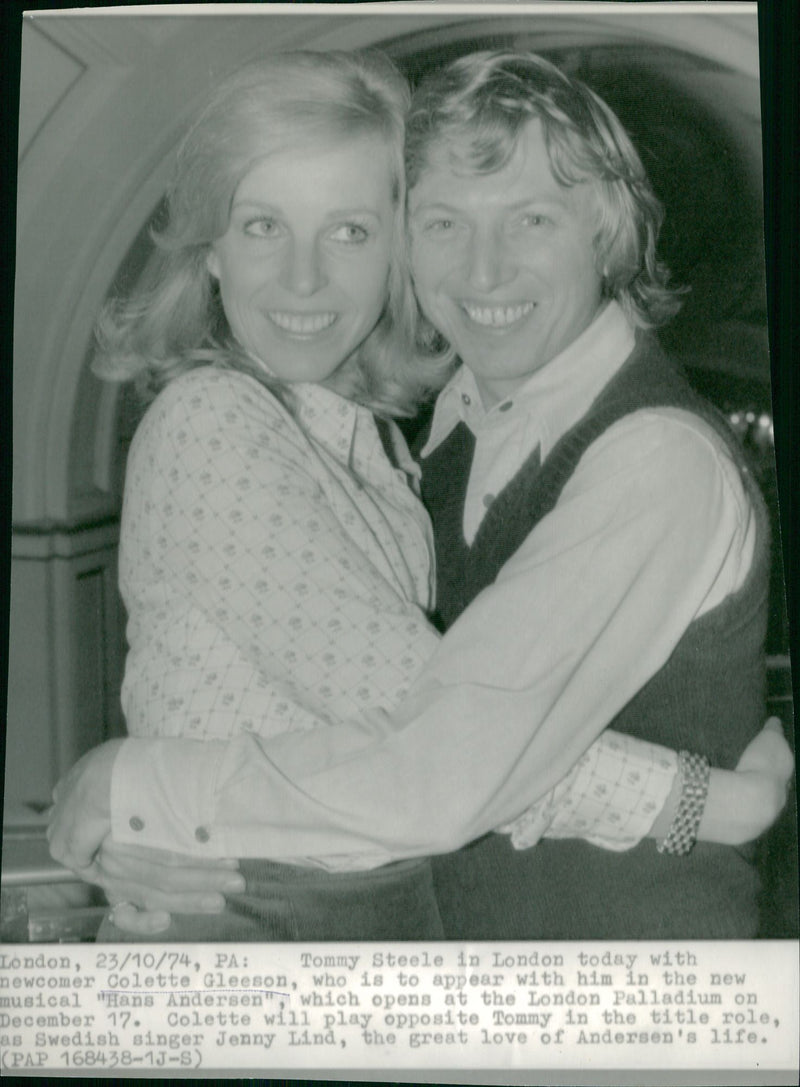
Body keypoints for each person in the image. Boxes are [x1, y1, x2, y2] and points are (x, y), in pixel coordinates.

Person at [47, 50, 792, 940]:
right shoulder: (235, 423)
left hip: (589, 976)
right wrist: (708, 800)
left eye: (349, 231)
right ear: (209, 246)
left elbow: (446, 751)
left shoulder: (622, 454)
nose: (484, 270)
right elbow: (444, 740)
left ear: (608, 234)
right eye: (445, 223)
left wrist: (137, 786)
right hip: (265, 920)